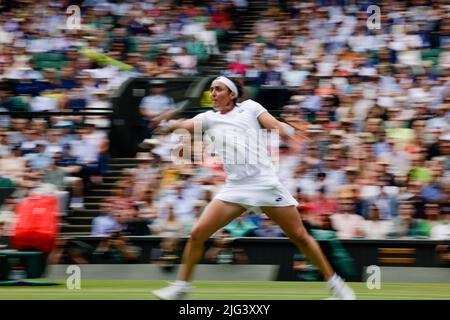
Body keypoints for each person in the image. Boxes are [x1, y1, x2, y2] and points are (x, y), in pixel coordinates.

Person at [152, 76, 355, 300]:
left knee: (300, 237)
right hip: (235, 188)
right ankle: (182, 286)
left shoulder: (250, 108)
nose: (213, 94)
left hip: (264, 185)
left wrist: (286, 129)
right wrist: (168, 122)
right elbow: (183, 127)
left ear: (232, 94)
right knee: (197, 234)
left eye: (218, 89)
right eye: (211, 90)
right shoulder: (207, 118)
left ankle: (338, 287)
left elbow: (272, 124)